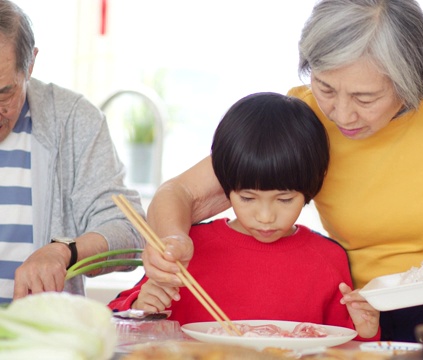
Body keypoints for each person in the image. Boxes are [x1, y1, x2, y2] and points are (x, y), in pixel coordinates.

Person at [142, 0, 423, 342]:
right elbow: (181, 194)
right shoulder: (302, 116)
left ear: (414, 84)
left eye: (364, 97)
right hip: (358, 315)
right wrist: (171, 241)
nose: (341, 113)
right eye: (325, 87)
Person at [108, 92, 379, 339]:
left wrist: (367, 332)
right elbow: (115, 318)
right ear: (225, 187)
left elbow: (344, 345)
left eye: (285, 199)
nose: (265, 216)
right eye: (247, 198)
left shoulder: (328, 259)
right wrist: (141, 307)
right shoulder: (189, 247)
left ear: (312, 186)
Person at [0, 0, 144, 304]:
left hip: (40, 345)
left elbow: (130, 231)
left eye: (4, 93)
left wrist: (63, 250)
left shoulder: (73, 119)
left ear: (30, 65)